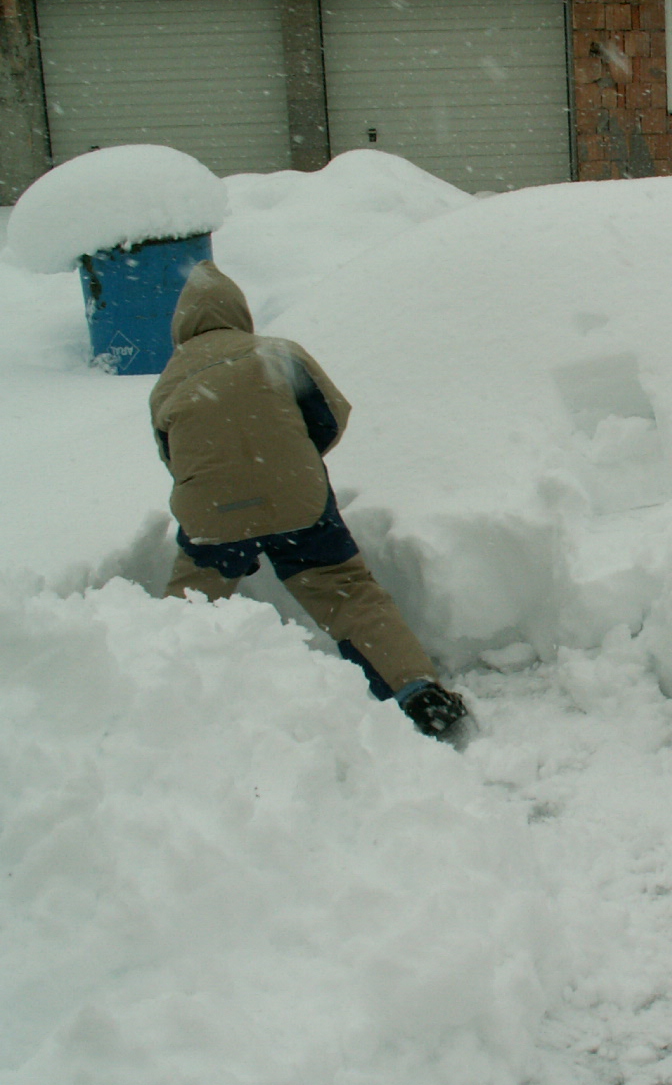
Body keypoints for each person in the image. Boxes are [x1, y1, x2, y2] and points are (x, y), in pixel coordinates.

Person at [149, 260, 473, 746]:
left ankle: (153, 701)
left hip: (212, 515)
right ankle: (417, 692)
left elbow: (173, 458)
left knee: (191, 605)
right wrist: (292, 458)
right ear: (240, 314)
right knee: (346, 591)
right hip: (295, 495)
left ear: (182, 327)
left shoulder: (167, 382)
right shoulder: (277, 353)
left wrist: (228, 492)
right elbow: (331, 415)